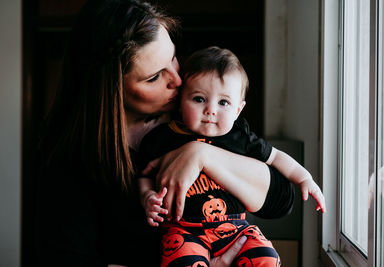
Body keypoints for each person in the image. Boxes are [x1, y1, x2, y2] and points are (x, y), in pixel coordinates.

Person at [35, 1, 295, 266]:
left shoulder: (198, 113)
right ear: (111, 90)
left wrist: (203, 154)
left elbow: (280, 200)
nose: (178, 80)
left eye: (173, 58)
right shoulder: (70, 160)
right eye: (154, 77)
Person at [138, 46, 326, 266]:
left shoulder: (239, 136)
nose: (211, 110)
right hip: (184, 230)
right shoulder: (163, 138)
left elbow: (275, 157)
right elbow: (144, 175)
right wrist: (147, 197)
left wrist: (304, 178)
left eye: (223, 102)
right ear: (181, 101)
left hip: (236, 230)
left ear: (238, 109)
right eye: (199, 99)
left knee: (267, 257)